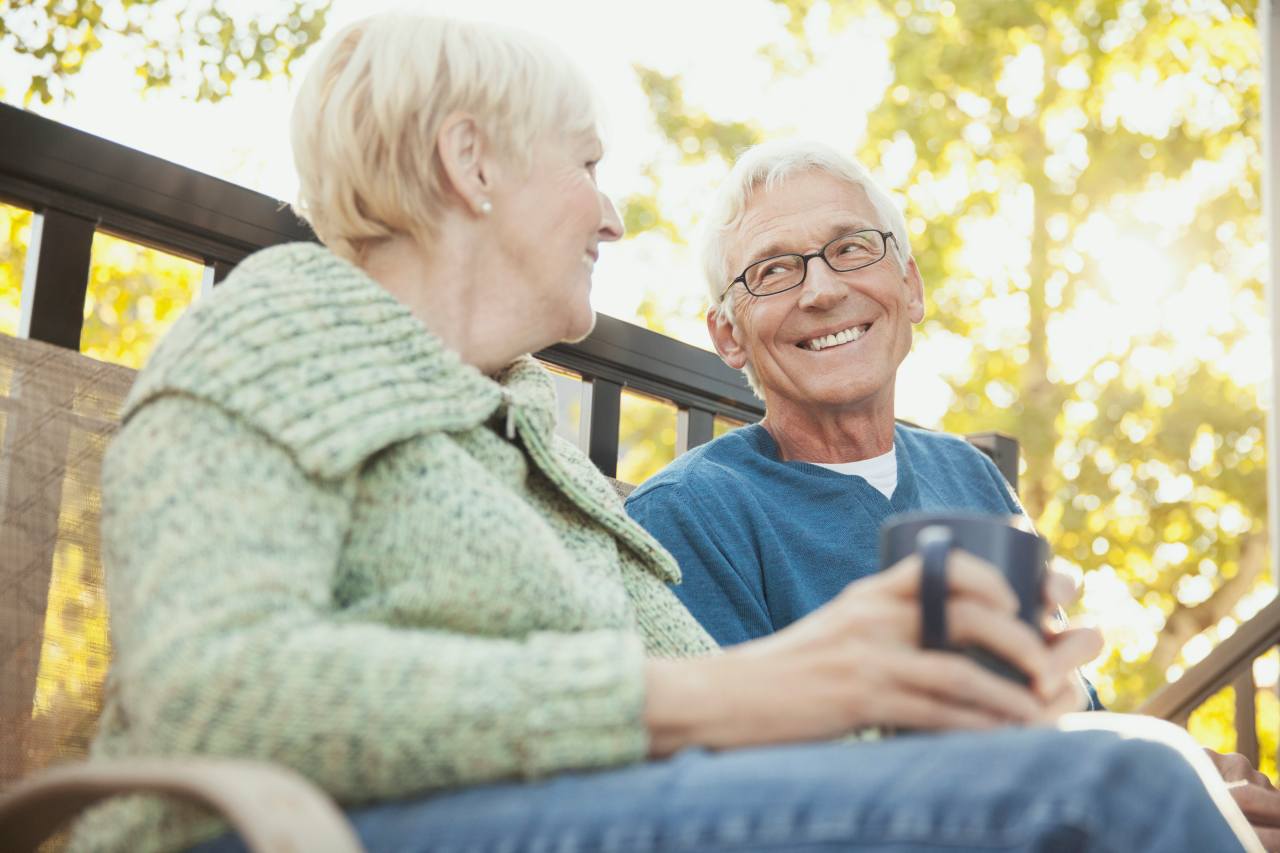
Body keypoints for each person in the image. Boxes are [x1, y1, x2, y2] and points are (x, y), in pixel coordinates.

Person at [67, 14, 1259, 853]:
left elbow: (737, 697)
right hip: (298, 833)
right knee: (1111, 790)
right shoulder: (281, 327)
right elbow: (209, 693)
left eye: (851, 251)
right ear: (469, 160)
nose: (615, 211)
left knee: (1117, 773)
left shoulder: (520, 443)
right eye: (586, 161)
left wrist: (898, 690)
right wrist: (715, 700)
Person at [623, 138, 1278, 847]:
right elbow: (748, 803)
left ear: (911, 286)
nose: (821, 290)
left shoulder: (970, 475)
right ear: (729, 334)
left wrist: (1186, 768)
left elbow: (1071, 717)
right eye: (774, 270)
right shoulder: (686, 514)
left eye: (850, 249)